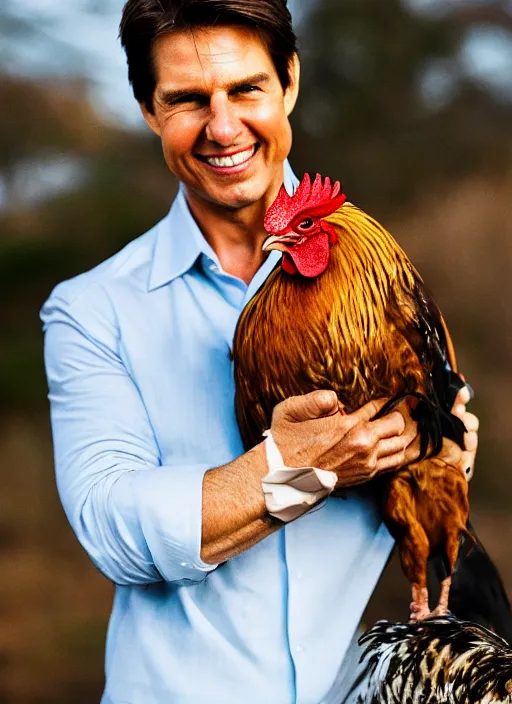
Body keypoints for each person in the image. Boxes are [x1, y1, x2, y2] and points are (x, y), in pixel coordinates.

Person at [40, 1, 478, 702]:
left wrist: (445, 442)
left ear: (290, 82)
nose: (222, 127)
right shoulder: (93, 310)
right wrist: (293, 469)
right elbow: (113, 528)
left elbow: (450, 434)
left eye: (245, 89)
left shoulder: (382, 274)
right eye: (187, 99)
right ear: (149, 110)